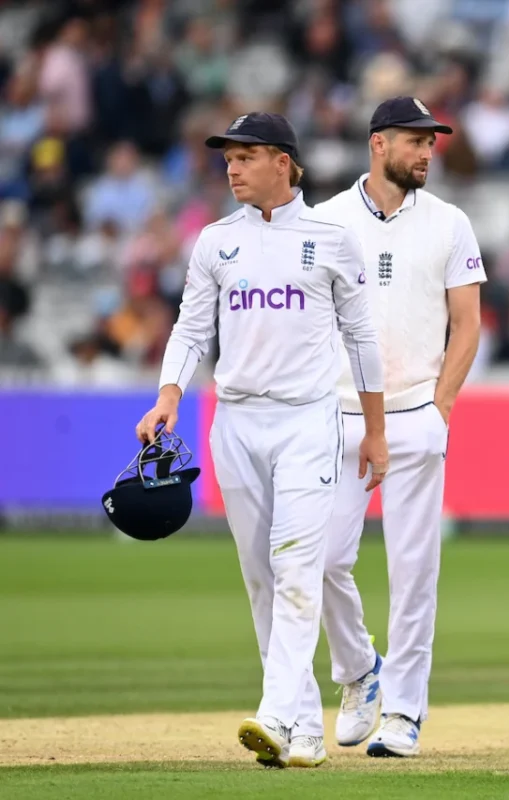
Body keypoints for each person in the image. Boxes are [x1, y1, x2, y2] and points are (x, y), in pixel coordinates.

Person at [135, 112, 388, 769]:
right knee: (261, 578)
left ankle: (274, 713)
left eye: (245, 156)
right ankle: (302, 727)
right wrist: (169, 394)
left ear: (284, 161)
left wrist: (376, 430)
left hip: (308, 420)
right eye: (227, 158)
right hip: (236, 422)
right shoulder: (215, 242)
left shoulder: (330, 240)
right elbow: (192, 330)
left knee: (296, 567)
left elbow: (362, 340)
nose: (232, 167)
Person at [313, 96, 486, 758]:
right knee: (324, 559)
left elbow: (467, 322)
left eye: (431, 142)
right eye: (415, 141)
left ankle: (405, 714)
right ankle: (359, 670)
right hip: (338, 412)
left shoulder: (449, 223)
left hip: (416, 412)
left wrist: (441, 406)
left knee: (415, 571)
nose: (426, 152)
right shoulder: (326, 222)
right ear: (378, 144)